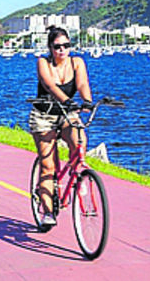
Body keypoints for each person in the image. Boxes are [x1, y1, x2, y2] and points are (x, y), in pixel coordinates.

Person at [29, 26, 93, 229]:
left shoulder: (77, 63)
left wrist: (87, 101)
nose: (62, 50)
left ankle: (78, 176)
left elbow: (82, 84)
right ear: (50, 48)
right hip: (44, 116)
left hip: (67, 113)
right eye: (57, 47)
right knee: (48, 166)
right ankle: (47, 212)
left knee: (79, 141)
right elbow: (49, 85)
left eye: (66, 45)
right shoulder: (43, 63)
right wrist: (66, 100)